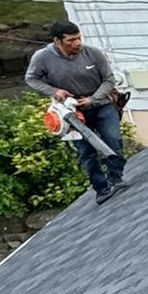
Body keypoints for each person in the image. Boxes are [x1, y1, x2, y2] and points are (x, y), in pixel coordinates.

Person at [25, 20, 127, 205]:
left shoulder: (92, 53)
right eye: (71, 40)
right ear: (57, 41)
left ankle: (115, 177)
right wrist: (54, 91)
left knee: (113, 140)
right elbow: (31, 79)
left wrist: (93, 99)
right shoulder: (42, 58)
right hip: (72, 112)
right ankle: (101, 188)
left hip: (100, 104)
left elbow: (109, 80)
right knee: (86, 152)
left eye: (78, 38)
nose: (77, 43)